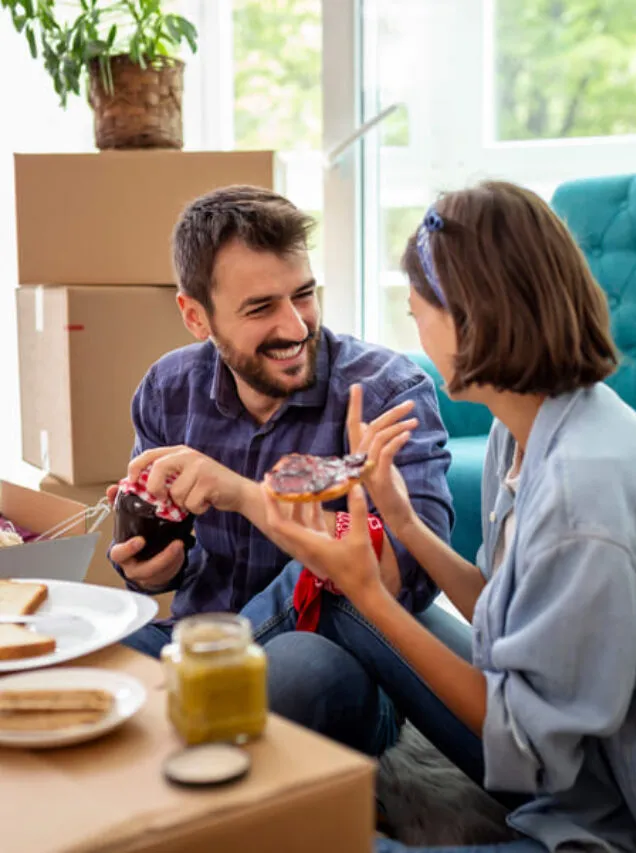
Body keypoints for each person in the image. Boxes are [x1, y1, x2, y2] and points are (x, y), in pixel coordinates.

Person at [254, 181, 636, 852]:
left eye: (417, 313)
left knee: (295, 838)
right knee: (341, 595)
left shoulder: (583, 494)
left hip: (596, 818)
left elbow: (535, 749)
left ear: (471, 319)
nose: (416, 336)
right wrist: (403, 523)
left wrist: (376, 592)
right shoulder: (524, 426)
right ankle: (189, 676)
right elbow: (512, 612)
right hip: (560, 754)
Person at [109, 185, 454, 755]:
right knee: (88, 662)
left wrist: (246, 495)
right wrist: (149, 569)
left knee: (292, 674)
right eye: (261, 308)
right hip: (195, 637)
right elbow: (164, 562)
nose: (295, 327)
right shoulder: (167, 389)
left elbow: (415, 575)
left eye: (304, 295)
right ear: (196, 316)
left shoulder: (387, 390)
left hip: (331, 656)